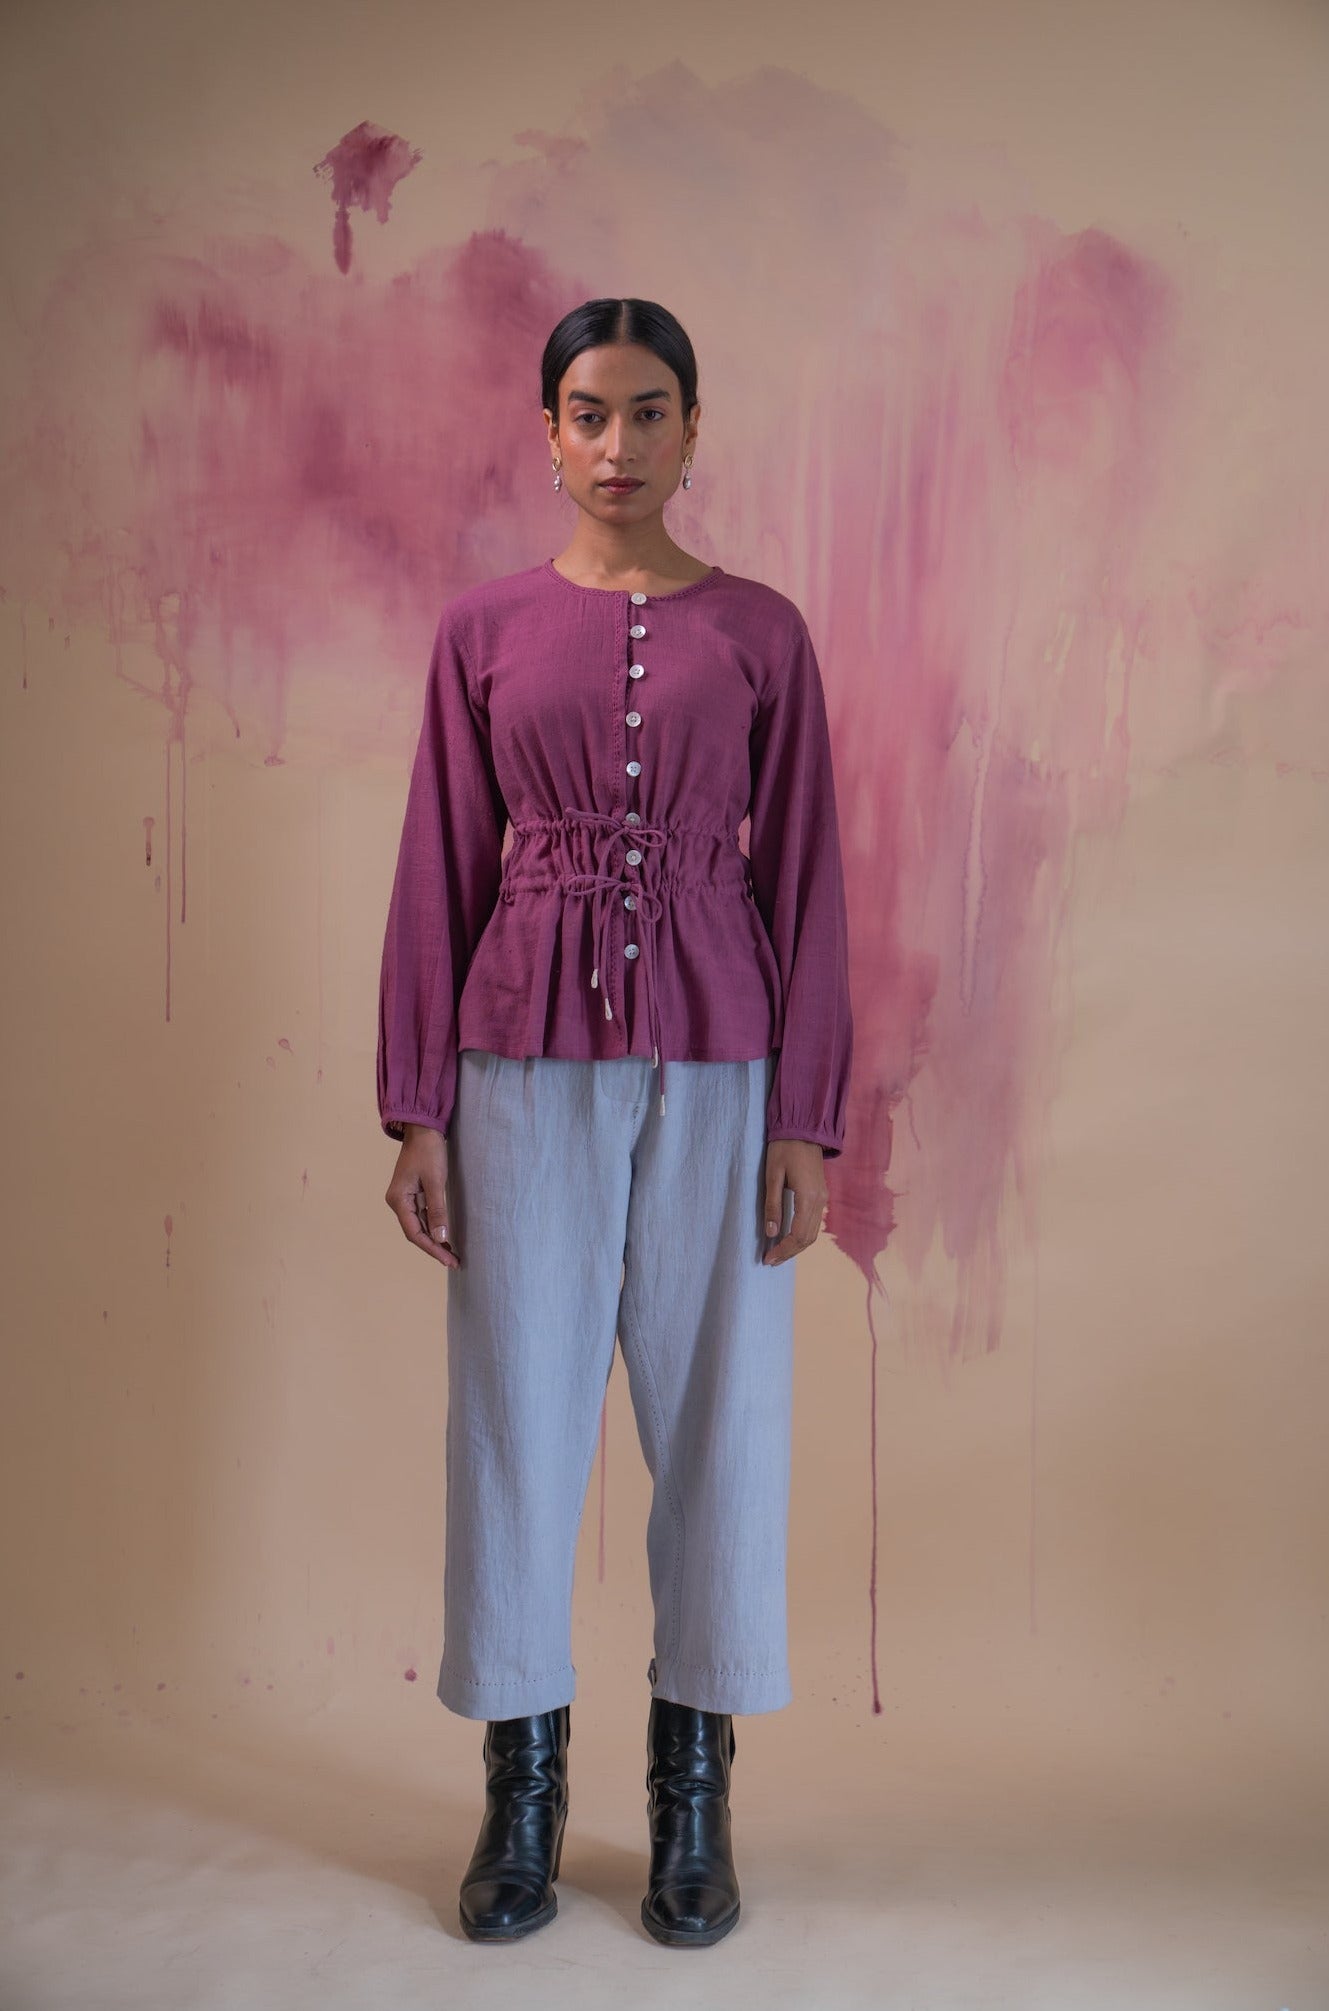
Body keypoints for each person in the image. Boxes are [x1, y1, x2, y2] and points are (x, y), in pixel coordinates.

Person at [376, 296, 853, 1947]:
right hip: (518, 1058)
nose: (618, 443)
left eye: (649, 412)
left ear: (691, 429)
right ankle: (519, 1801)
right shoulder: (482, 630)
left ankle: (690, 1803)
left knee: (723, 1414)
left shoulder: (762, 632)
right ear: (549, 431)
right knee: (516, 1410)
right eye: (588, 412)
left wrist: (807, 1120)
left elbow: (806, 874)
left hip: (723, 1062)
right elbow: (439, 861)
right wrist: (416, 1106)